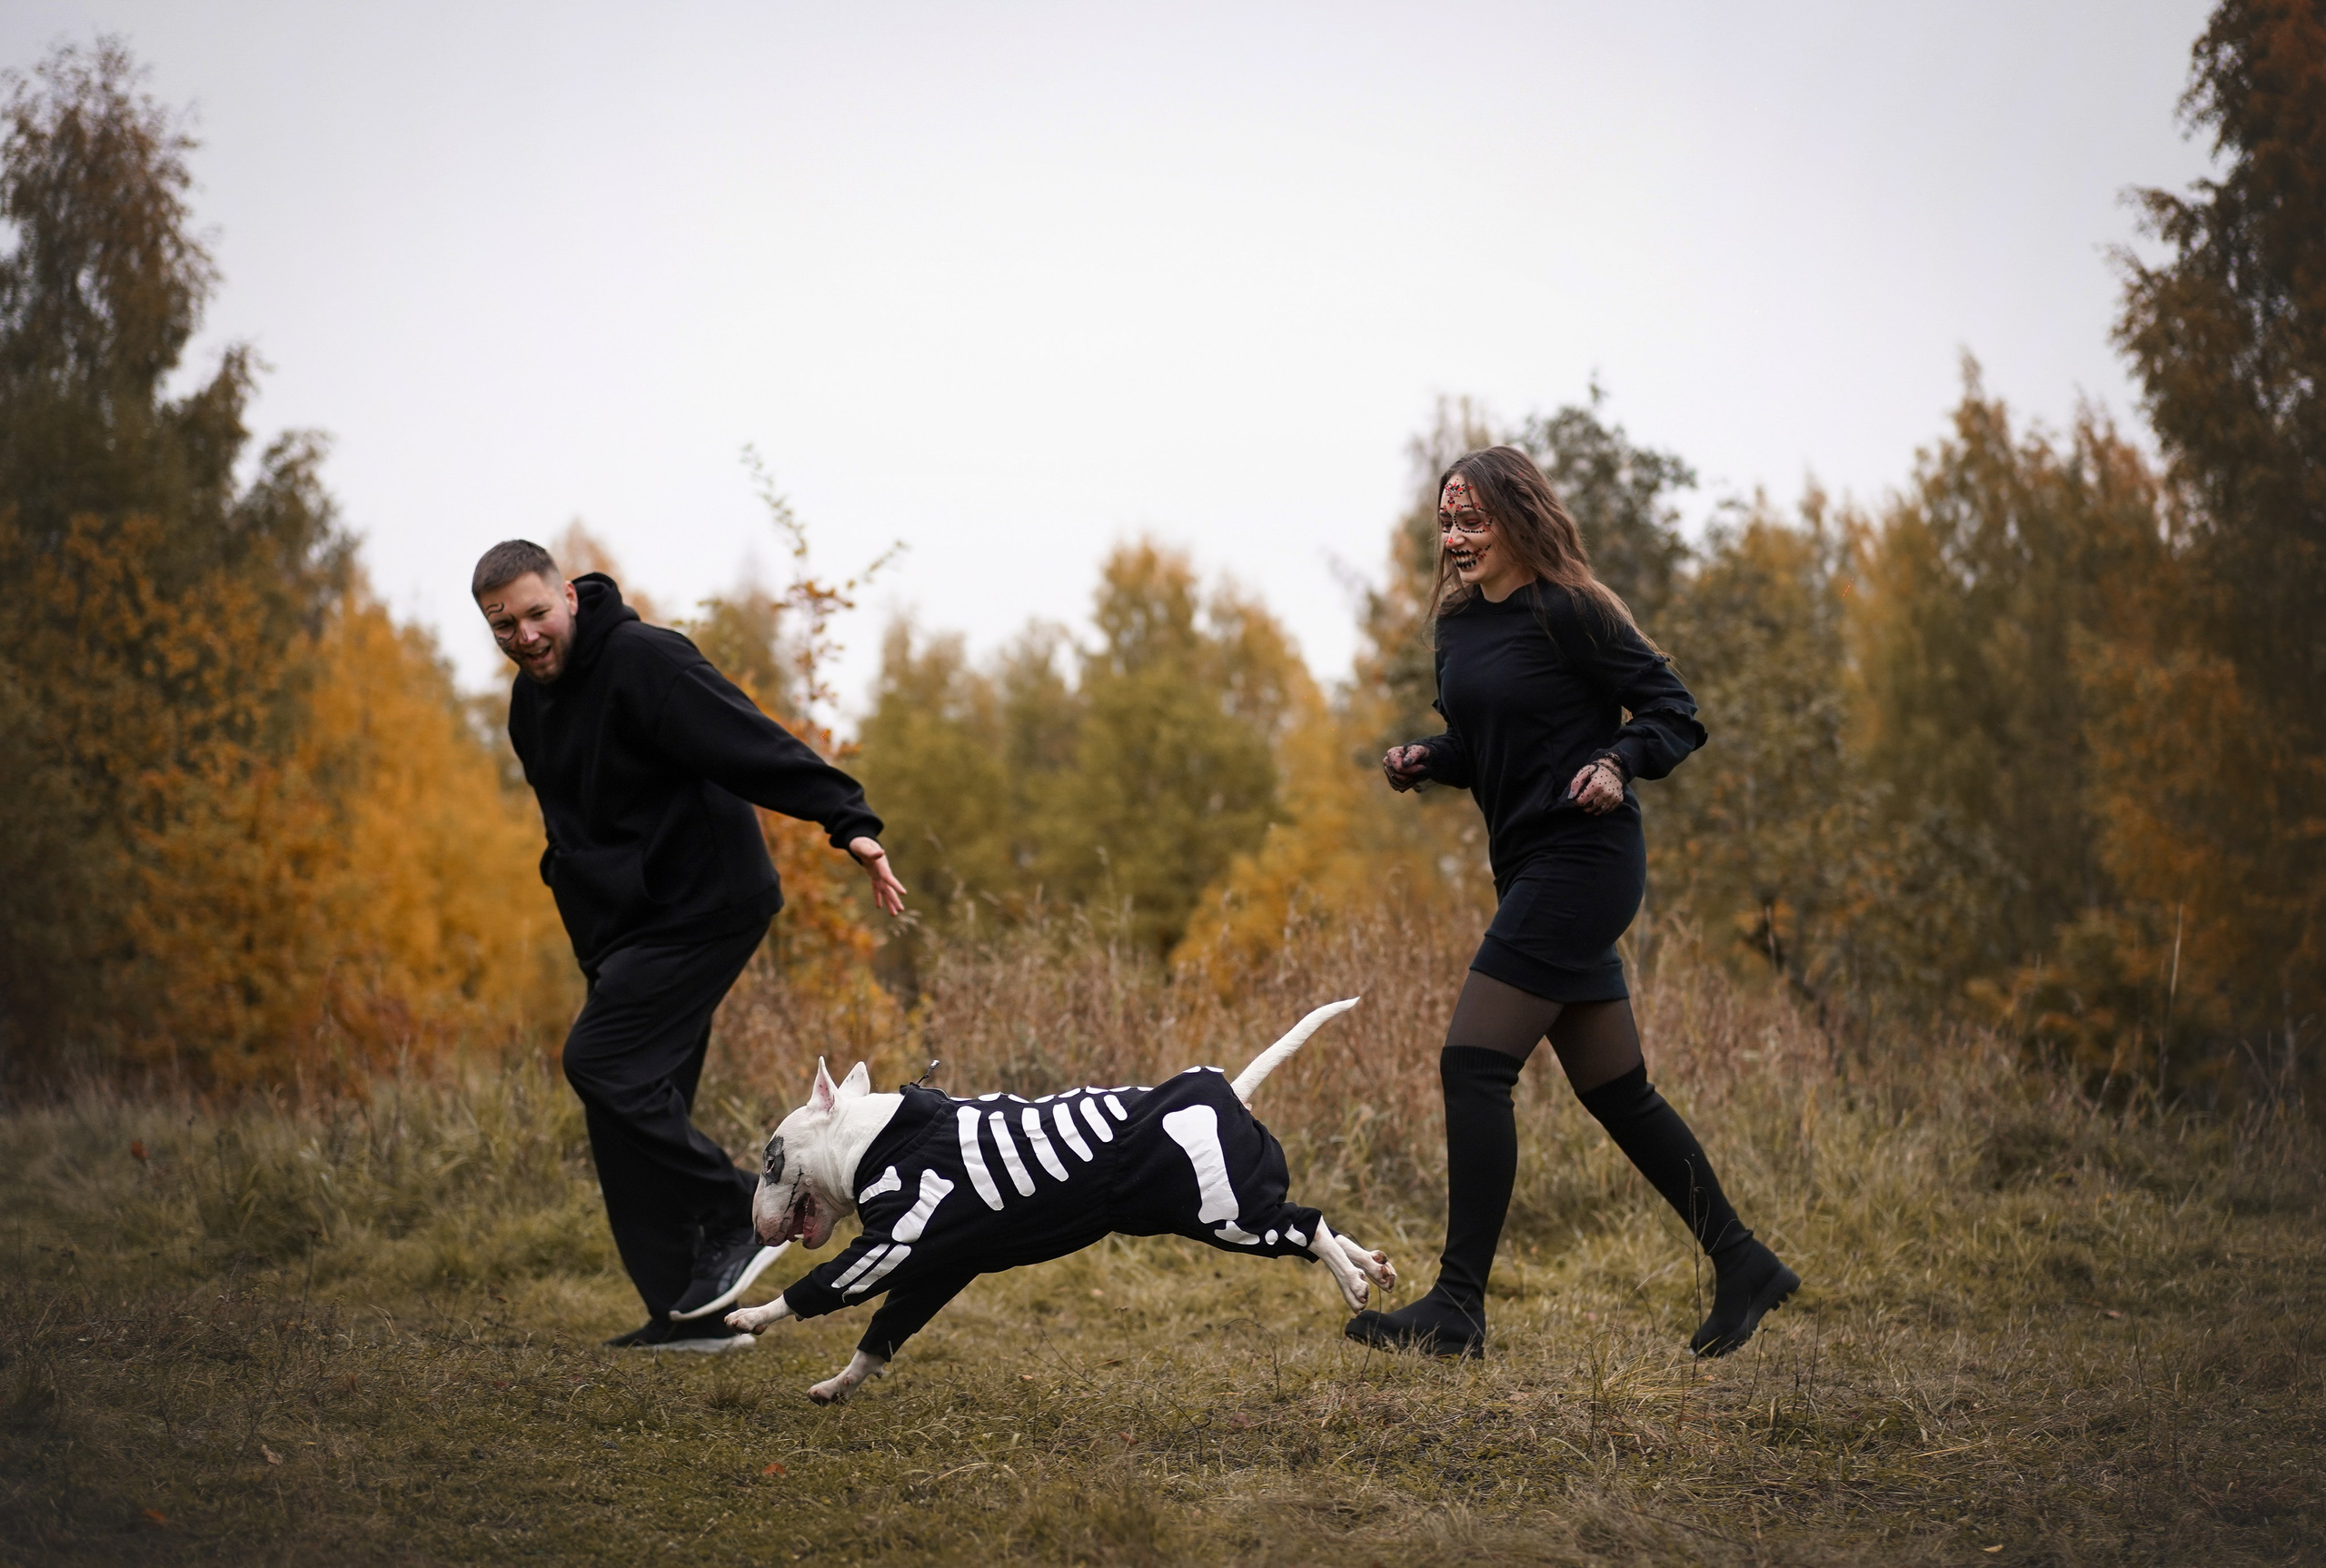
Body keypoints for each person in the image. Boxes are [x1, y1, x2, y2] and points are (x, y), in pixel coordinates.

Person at [1344, 447, 1796, 1360]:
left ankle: (1458, 1307)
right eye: (1446, 523)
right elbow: (1485, 745)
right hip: (1528, 866)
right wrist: (1428, 759)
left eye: (1472, 521)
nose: (1457, 538)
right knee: (1618, 1092)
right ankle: (1742, 1261)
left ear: (1516, 518)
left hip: (1585, 860)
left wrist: (1615, 762)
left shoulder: (1572, 612)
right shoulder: (1459, 629)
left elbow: (1674, 713)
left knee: (1473, 1063)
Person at [472, 540, 908, 1351]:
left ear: (567, 596)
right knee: (628, 1102)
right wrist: (596, 950)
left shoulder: (643, 660)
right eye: (504, 626)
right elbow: (574, 838)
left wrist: (845, 818)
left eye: (536, 614)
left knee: (599, 1060)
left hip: (708, 902)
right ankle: (686, 1313)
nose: (525, 636)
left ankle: (736, 1211)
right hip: (629, 930)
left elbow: (745, 739)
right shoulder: (528, 710)